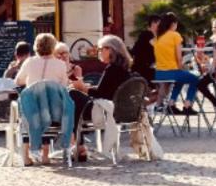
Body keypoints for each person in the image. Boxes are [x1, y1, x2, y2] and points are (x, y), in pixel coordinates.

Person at [68, 35, 136, 161]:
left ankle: (78, 143)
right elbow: (107, 90)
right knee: (76, 99)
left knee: (73, 95)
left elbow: (101, 93)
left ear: (110, 50)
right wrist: (88, 87)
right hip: (119, 107)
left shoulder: (112, 69)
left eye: (100, 49)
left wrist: (82, 87)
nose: (99, 52)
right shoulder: (122, 68)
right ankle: (79, 144)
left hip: (106, 109)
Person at [14, 33, 70, 165]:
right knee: (48, 115)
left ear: (36, 46)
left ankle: (26, 157)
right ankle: (45, 155)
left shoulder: (29, 62)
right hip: (52, 108)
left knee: (27, 118)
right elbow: (64, 86)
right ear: (53, 47)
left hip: (31, 106)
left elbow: (18, 81)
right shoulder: (61, 65)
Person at [153, 13, 198, 115]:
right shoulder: (175, 35)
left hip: (159, 73)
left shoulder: (158, 37)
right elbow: (179, 57)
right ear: (173, 24)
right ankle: (187, 104)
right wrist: (180, 67)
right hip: (171, 71)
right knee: (195, 79)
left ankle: (171, 104)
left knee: (181, 79)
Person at [130, 16, 159, 83]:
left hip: (145, 68)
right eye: (157, 23)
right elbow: (157, 46)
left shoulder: (149, 35)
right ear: (152, 24)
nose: (159, 25)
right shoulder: (147, 34)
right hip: (143, 70)